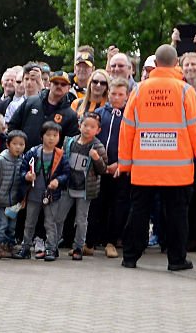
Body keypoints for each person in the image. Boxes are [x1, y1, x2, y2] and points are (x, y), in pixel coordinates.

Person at [119, 44, 196, 271]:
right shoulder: (184, 91)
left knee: (139, 212)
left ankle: (130, 257)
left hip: (143, 169)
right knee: (177, 215)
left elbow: (127, 128)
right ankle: (176, 260)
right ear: (176, 64)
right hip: (177, 170)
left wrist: (124, 164)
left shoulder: (139, 90)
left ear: (155, 64)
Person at [14, 121, 70, 261]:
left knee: (50, 223)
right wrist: (26, 176)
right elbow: (23, 169)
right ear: (41, 136)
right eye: (48, 135)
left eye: (55, 135)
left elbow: (67, 173)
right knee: (29, 222)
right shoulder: (33, 152)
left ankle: (51, 248)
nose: (51, 138)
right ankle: (25, 247)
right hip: (33, 193)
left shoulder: (61, 155)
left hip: (51, 195)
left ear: (59, 137)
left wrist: (58, 181)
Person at [88, 77, 130, 258]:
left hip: (120, 169)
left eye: (120, 94)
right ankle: (89, 242)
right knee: (96, 206)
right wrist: (99, 164)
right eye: (113, 93)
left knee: (117, 206)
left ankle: (111, 242)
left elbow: (134, 142)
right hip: (98, 169)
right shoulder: (98, 114)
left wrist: (121, 163)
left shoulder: (131, 116)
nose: (116, 98)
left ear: (127, 96)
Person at [60, 112, 108, 260]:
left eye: (92, 127)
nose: (87, 129)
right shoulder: (69, 142)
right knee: (59, 216)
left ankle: (79, 247)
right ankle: (52, 243)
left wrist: (97, 159)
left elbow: (103, 169)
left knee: (81, 219)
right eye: (85, 125)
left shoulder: (98, 146)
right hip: (68, 186)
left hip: (85, 189)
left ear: (98, 130)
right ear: (79, 125)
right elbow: (62, 162)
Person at [7, 70, 79, 148]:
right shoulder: (31, 102)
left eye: (63, 84)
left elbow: (69, 144)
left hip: (51, 158)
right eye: (55, 83)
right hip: (23, 155)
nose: (59, 86)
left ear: (69, 88)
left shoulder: (71, 115)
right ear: (49, 84)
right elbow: (13, 126)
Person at [0, 130, 28, 258]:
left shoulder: (23, 161)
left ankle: (9, 247)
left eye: (21, 144)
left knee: (12, 226)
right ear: (8, 144)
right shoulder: (0, 160)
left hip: (15, 201)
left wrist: (22, 198)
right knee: (1, 225)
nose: (18, 147)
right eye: (15, 144)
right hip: (1, 200)